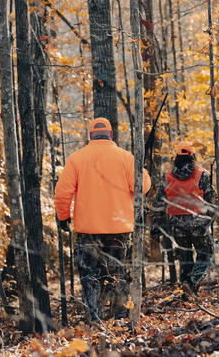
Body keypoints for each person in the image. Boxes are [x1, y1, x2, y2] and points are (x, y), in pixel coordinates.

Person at [55, 118, 151, 321]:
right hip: (119, 229)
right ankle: (120, 317)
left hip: (87, 230)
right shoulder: (125, 158)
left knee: (90, 275)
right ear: (111, 135)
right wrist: (142, 170)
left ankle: (95, 320)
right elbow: (142, 187)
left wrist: (63, 217)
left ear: (90, 136)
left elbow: (62, 193)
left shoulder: (76, 159)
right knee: (117, 273)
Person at [151, 141, 217, 297]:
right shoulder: (202, 174)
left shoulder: (167, 176)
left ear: (177, 157)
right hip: (198, 223)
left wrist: (155, 227)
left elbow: (158, 204)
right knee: (206, 255)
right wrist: (209, 220)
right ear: (192, 155)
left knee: (186, 259)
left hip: (177, 225)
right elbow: (212, 201)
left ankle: (188, 293)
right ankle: (191, 283)